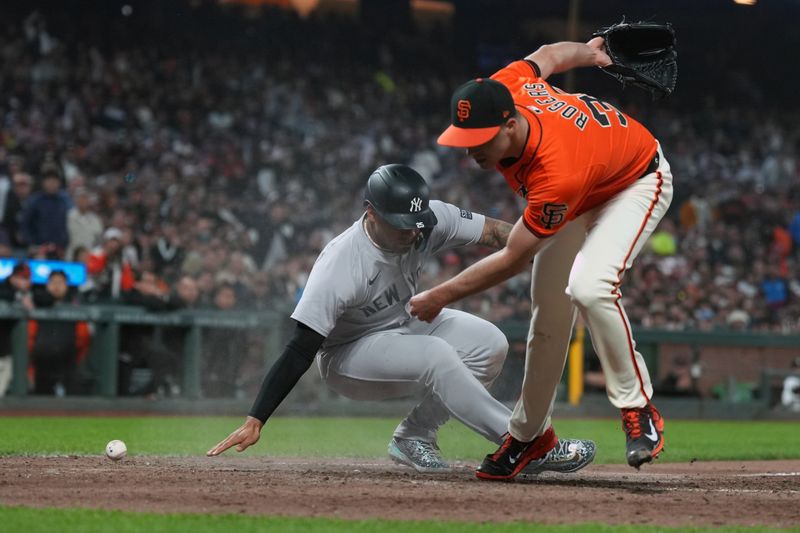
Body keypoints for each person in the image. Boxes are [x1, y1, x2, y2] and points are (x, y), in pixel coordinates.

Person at [208, 164, 595, 474]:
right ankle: (527, 443)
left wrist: (547, 246)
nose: (413, 232)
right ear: (371, 213)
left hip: (401, 324)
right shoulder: (341, 263)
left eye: (417, 221)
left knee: (489, 343)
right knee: (437, 355)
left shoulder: (428, 220)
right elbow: (300, 348)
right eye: (400, 223)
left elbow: (496, 232)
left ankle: (415, 436)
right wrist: (257, 417)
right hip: (347, 358)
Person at [410, 37, 673, 478]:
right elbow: (548, 55)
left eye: (481, 140)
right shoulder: (502, 88)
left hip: (633, 182)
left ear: (510, 124)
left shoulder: (556, 171)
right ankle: (528, 437)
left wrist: (438, 295)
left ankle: (637, 407)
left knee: (589, 288)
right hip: (588, 180)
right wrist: (590, 53)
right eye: (465, 139)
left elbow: (514, 258)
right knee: (548, 318)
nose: (472, 151)